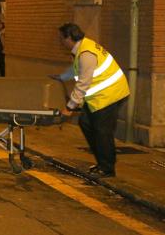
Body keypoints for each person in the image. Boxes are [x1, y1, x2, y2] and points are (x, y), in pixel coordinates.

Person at [52, 23, 129, 179]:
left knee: (102, 131)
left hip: (109, 95)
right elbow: (76, 69)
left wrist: (70, 107)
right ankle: (103, 162)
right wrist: (62, 77)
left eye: (61, 38)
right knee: (86, 123)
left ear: (69, 38)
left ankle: (107, 168)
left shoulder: (86, 53)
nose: (60, 41)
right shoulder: (82, 48)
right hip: (101, 96)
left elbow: (83, 84)